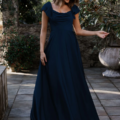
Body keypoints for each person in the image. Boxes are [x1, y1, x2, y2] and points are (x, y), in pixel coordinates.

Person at [30, 0, 109, 120]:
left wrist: (96, 32)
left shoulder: (73, 9)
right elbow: (43, 30)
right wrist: (41, 51)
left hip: (71, 50)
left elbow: (78, 30)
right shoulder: (47, 7)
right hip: (54, 49)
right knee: (55, 81)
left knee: (72, 81)